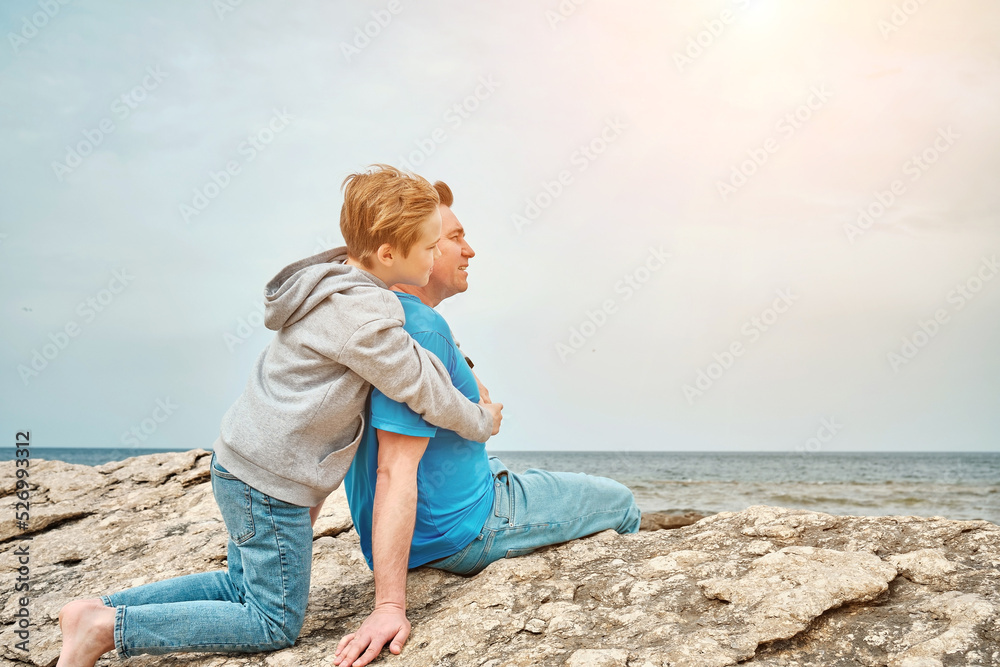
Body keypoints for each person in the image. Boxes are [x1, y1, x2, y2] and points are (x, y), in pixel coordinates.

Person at [54, 165, 504, 667]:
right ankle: (106, 628)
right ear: (388, 254)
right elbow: (422, 387)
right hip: (270, 484)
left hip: (242, 463)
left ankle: (95, 610)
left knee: (238, 583)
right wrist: (480, 420)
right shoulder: (364, 320)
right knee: (272, 619)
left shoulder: (335, 285)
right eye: (428, 246)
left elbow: (421, 362)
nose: (435, 254)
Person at [334, 180, 640, 667]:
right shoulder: (420, 329)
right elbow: (396, 467)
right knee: (621, 503)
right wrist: (389, 605)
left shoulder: (374, 316)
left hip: (450, 506)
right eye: (452, 238)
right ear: (419, 249)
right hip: (463, 528)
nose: (468, 250)